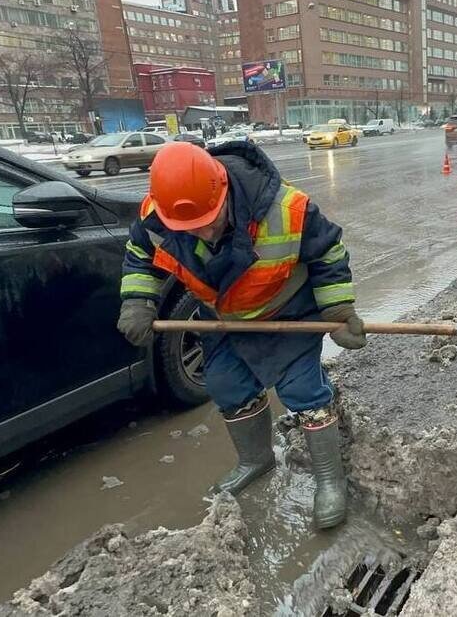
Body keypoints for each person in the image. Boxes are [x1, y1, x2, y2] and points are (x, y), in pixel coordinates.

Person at [116, 141, 366, 529]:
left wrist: (337, 308)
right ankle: (256, 459)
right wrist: (137, 302)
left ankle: (330, 479)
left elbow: (328, 253)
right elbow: (139, 257)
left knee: (303, 391)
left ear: (223, 189)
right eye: (190, 226)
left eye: (209, 219)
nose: (202, 230)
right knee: (226, 384)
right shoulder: (156, 217)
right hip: (222, 316)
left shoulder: (287, 209)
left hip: (287, 311)